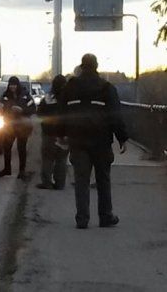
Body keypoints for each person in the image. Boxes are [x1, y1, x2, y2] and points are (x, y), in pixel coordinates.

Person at [61, 53, 128, 229]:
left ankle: (82, 219)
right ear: (96, 66)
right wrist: (122, 138)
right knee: (103, 179)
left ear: (81, 66)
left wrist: (61, 134)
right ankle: (105, 216)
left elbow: (61, 113)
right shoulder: (106, 88)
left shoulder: (70, 87)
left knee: (81, 180)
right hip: (101, 141)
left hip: (78, 141)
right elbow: (115, 115)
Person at [0, 76, 36, 179]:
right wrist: (0, 109)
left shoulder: (25, 96)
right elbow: (0, 108)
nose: (12, 87)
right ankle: (7, 169)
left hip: (22, 125)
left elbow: (33, 108)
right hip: (9, 125)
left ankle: (22, 171)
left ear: (18, 85)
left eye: (14, 85)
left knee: (21, 148)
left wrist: (22, 110)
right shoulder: (5, 96)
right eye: (11, 85)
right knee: (7, 147)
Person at [36, 74, 69, 190]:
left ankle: (47, 182)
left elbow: (39, 113)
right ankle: (60, 183)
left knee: (47, 158)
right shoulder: (69, 99)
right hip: (64, 134)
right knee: (61, 159)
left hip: (49, 133)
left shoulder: (48, 98)